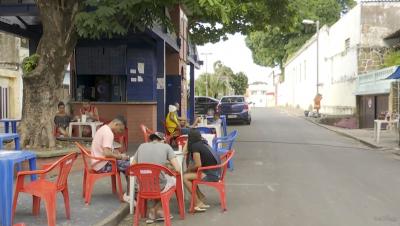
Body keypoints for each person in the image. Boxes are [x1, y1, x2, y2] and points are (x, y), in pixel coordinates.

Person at [131, 132, 181, 223]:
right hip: (159, 186)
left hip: (142, 186)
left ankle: (154, 211)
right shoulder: (166, 147)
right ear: (163, 140)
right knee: (173, 180)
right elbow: (178, 169)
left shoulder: (141, 146)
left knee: (156, 180)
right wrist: (167, 165)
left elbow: (133, 165)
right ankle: (156, 209)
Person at [90, 117, 131, 202]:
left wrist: (118, 154)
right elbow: (107, 153)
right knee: (132, 166)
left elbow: (108, 150)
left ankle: (131, 191)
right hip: (102, 165)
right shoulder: (108, 133)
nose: (119, 133)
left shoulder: (103, 128)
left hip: (97, 162)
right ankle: (132, 193)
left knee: (127, 163)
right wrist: (120, 157)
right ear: (116, 124)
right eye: (120, 130)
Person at [183, 129, 221, 212]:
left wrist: (189, 169)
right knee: (190, 175)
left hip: (211, 174)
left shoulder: (195, 147)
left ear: (190, 138)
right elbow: (185, 152)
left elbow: (198, 165)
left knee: (185, 177)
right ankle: (200, 197)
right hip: (215, 172)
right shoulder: (203, 142)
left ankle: (197, 202)